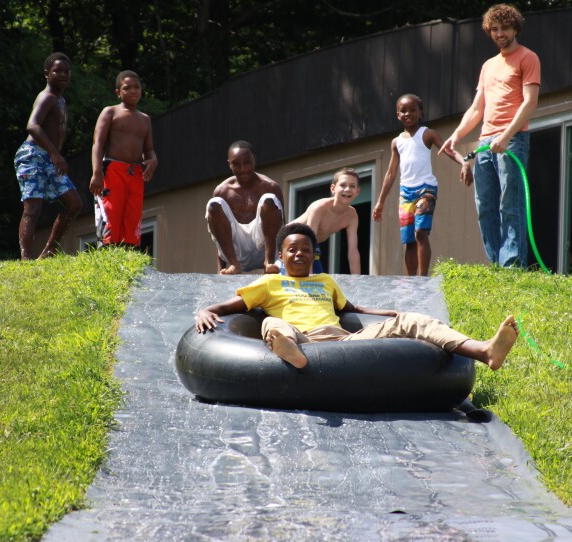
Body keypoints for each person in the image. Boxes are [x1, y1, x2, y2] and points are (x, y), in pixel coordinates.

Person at [195, 222, 519, 370]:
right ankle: (289, 353)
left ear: (313, 254)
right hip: (299, 338)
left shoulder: (324, 282)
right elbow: (227, 306)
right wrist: (204, 311)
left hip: (341, 342)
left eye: (304, 250)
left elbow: (352, 309)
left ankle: (484, 351)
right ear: (280, 255)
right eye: (291, 250)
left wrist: (390, 316)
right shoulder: (269, 284)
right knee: (272, 324)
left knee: (415, 319)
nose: (298, 255)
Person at [439, 4, 541, 268]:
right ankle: (496, 263)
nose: (499, 34)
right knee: (485, 205)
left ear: (515, 27)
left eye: (504, 28)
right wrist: (456, 136)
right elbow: (476, 108)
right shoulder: (488, 66)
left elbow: (529, 103)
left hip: (513, 140)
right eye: (494, 29)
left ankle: (512, 266)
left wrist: (507, 136)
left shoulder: (528, 58)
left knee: (510, 204)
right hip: (486, 142)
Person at [373, 94, 472, 276]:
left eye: (412, 110)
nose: (408, 113)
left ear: (421, 113)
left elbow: (447, 149)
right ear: (397, 115)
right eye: (403, 110)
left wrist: (464, 162)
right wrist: (380, 202)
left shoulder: (427, 134)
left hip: (425, 189)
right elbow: (391, 173)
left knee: (420, 232)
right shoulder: (396, 142)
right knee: (409, 240)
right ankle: (411, 281)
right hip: (405, 193)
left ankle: (422, 278)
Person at [14, 52, 83, 260]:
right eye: (57, 71)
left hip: (50, 157)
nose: (62, 75)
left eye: (66, 71)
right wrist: (55, 154)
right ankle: (26, 259)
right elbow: (32, 125)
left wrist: (54, 155)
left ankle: (49, 251)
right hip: (33, 154)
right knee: (33, 207)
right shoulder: (47, 97)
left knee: (74, 203)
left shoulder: (61, 100)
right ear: (47, 74)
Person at [89, 70, 158, 248]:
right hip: (113, 170)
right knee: (111, 212)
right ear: (118, 92)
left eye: (137, 87)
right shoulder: (110, 112)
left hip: (135, 174)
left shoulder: (145, 119)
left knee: (132, 215)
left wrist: (153, 161)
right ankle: (107, 252)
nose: (133, 91)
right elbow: (98, 143)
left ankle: (129, 252)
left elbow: (149, 150)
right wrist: (97, 173)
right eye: (127, 88)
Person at [206, 141, 284, 274]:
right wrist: (220, 269)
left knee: (269, 199)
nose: (242, 168)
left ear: (255, 160)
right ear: (229, 164)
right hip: (237, 254)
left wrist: (283, 264)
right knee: (214, 203)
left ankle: (269, 262)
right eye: (236, 164)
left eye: (247, 162)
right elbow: (218, 234)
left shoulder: (270, 186)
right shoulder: (222, 190)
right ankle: (234, 266)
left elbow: (283, 226)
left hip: (264, 249)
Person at [281, 167, 362, 275]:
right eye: (343, 185)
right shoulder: (319, 208)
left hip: (312, 246)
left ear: (357, 191)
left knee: (319, 282)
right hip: (288, 243)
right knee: (297, 282)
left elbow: (353, 252)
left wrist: (357, 281)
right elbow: (309, 241)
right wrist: (308, 278)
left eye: (352, 186)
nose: (347, 189)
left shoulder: (352, 215)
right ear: (333, 188)